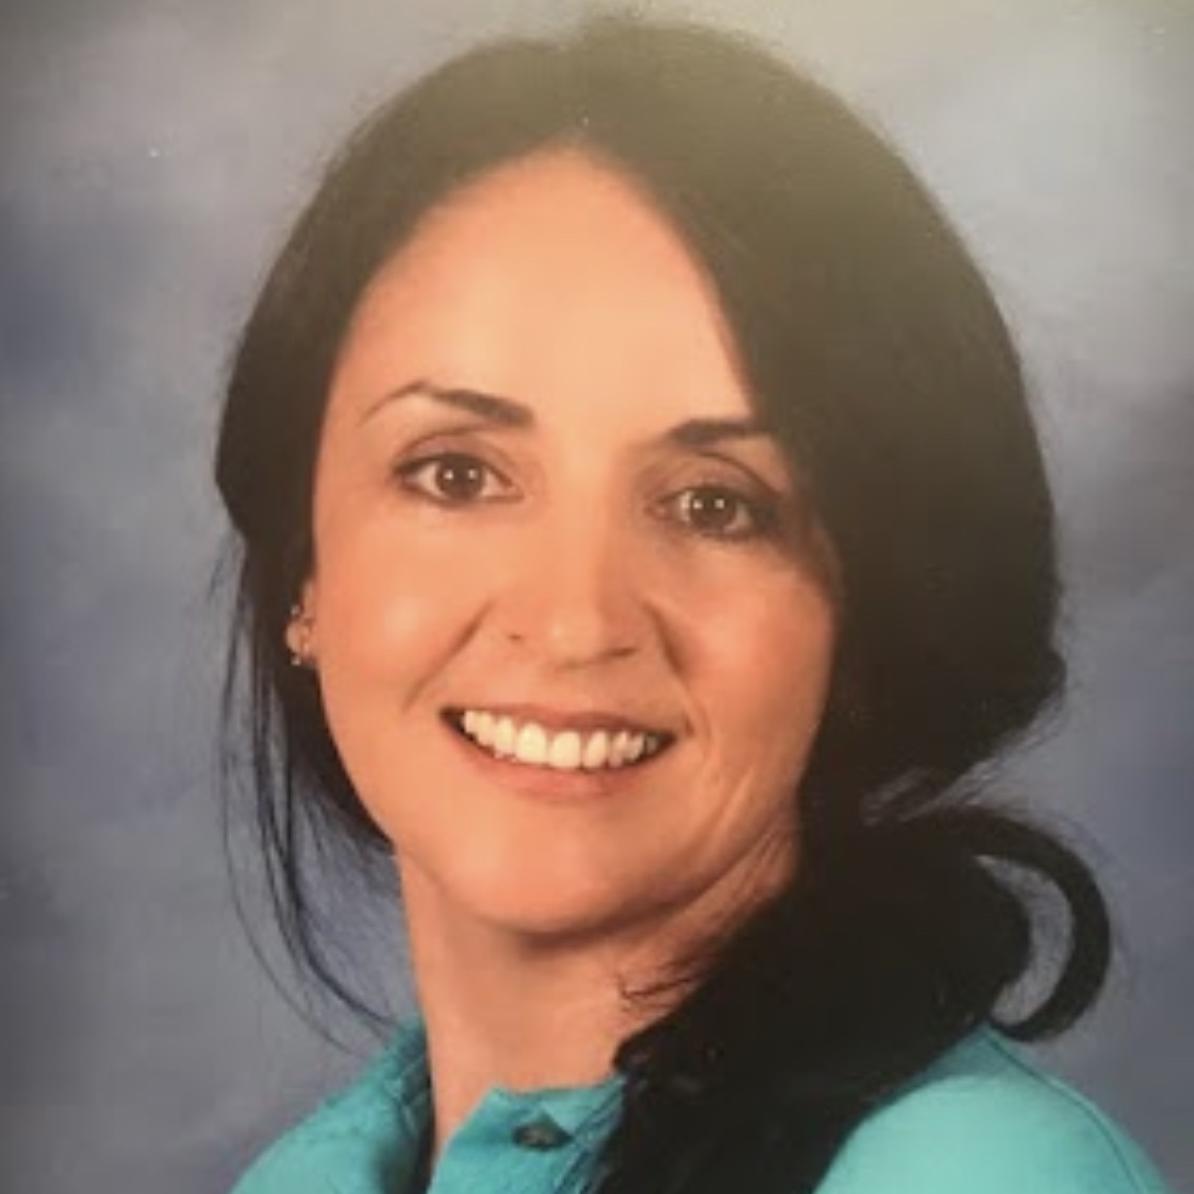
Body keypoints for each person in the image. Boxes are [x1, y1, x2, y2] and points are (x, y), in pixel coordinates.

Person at [214, 15, 1174, 1194]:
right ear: (302, 568)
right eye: (456, 474)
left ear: (868, 616)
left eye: (715, 505)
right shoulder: (309, 1179)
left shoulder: (974, 1173)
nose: (575, 624)